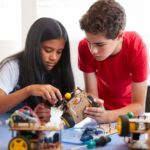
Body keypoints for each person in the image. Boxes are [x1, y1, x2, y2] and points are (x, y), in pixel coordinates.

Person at [78, 0, 149, 123]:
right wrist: (92, 106)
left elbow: (139, 106)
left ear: (120, 36)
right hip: (101, 109)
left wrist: (108, 116)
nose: (93, 50)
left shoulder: (136, 46)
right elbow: (91, 94)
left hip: (129, 111)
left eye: (100, 44)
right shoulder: (84, 47)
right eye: (89, 42)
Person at [0, 17, 75, 123]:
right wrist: (29, 90)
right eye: (48, 50)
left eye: (59, 52)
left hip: (29, 130)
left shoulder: (57, 70)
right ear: (34, 46)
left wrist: (42, 113)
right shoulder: (12, 66)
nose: (54, 57)